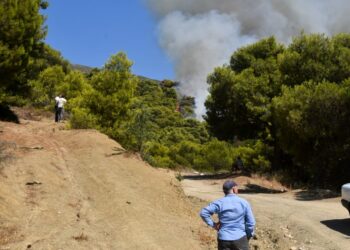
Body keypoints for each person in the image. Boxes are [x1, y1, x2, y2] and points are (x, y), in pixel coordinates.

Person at [200, 180, 255, 250]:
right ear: (234, 189)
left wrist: (213, 225)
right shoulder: (244, 203)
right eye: (237, 188)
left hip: (224, 239)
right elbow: (251, 223)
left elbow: (203, 212)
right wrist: (248, 235)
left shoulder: (219, 202)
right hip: (240, 238)